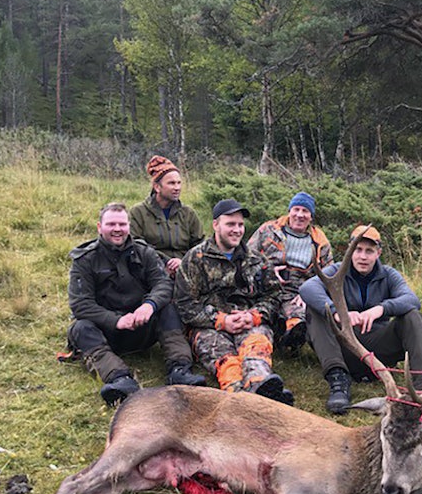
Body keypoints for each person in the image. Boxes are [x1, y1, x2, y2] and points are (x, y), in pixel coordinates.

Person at [67, 203, 207, 407]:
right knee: (80, 328)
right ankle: (119, 379)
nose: (117, 229)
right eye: (111, 224)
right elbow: (80, 304)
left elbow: (163, 283)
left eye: (122, 224)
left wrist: (149, 306)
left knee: (168, 308)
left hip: (142, 324)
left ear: (129, 226)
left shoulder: (144, 252)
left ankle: (180, 370)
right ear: (99, 227)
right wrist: (116, 321)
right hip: (108, 331)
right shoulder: (85, 259)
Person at [299, 225, 422, 414]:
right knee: (316, 309)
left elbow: (412, 299)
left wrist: (380, 309)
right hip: (343, 347)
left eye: (369, 251)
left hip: (377, 348)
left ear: (378, 253)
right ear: (349, 250)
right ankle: (338, 379)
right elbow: (308, 288)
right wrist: (338, 312)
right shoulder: (335, 270)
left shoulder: (389, 275)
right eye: (357, 250)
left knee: (411, 315)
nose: (362, 256)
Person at [174, 198, 294, 405]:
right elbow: (185, 304)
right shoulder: (195, 259)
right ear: (215, 225)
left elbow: (274, 295)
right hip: (208, 327)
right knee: (225, 359)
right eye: (230, 224)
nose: (237, 230)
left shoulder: (256, 259)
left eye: (240, 225)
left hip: (248, 321)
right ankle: (238, 395)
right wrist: (221, 320)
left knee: (256, 346)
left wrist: (254, 315)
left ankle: (260, 384)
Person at [246, 191, 334, 353]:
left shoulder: (320, 241)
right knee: (259, 313)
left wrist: (310, 292)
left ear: (311, 216)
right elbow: (246, 257)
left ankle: (291, 336)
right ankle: (275, 333)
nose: (300, 215)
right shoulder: (268, 229)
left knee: (300, 316)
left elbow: (329, 275)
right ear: (290, 211)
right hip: (265, 287)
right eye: (296, 209)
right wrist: (266, 269)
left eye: (305, 211)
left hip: (296, 292)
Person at [129, 155, 203, 278]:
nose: (177, 188)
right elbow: (135, 245)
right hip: (151, 271)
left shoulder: (188, 214)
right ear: (157, 187)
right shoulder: (138, 212)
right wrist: (165, 261)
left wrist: (185, 263)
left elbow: (200, 246)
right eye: (171, 183)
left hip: (186, 271)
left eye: (179, 183)